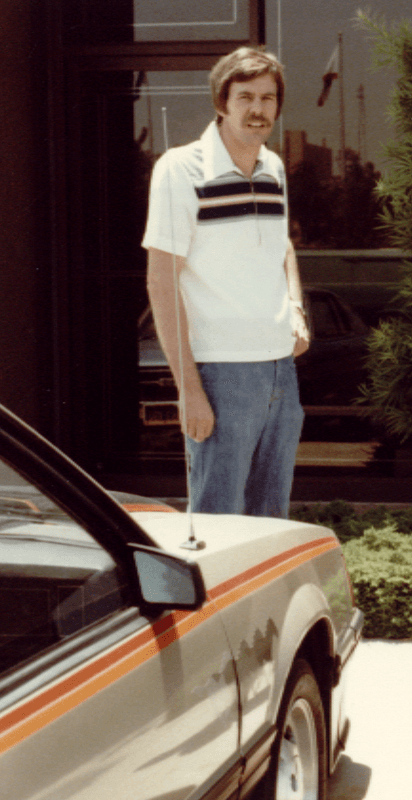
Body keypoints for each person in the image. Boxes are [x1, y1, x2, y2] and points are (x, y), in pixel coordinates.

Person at [142, 47, 309, 518]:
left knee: (269, 519)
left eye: (268, 98)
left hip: (281, 367)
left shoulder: (272, 167)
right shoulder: (181, 169)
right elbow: (161, 282)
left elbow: (284, 248)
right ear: (222, 102)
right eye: (245, 97)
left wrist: (295, 307)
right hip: (221, 373)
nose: (258, 109)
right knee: (218, 522)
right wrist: (189, 389)